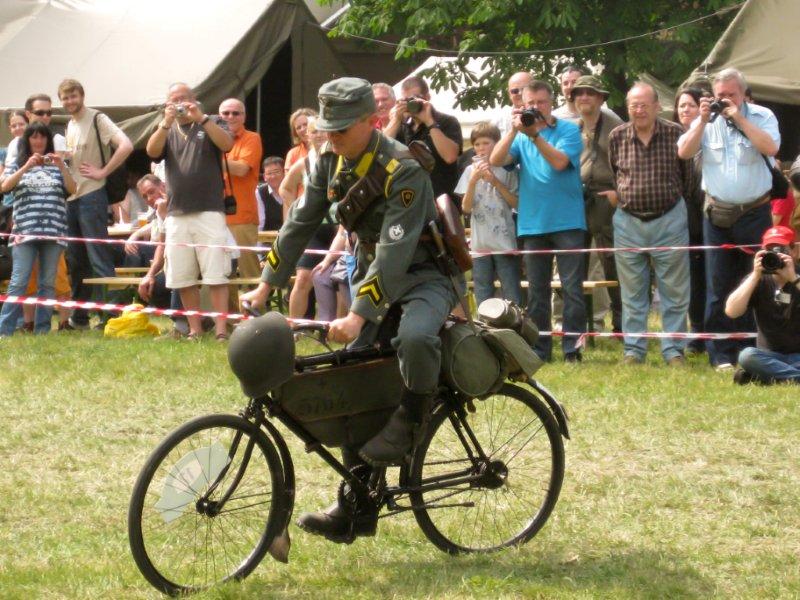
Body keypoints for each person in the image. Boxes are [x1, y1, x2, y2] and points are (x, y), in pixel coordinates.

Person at [241, 77, 462, 541]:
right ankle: (355, 510)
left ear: (372, 121)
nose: (332, 136)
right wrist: (265, 285)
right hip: (372, 275)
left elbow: (395, 254)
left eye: (342, 128)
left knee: (415, 338)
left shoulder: (402, 168)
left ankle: (413, 418)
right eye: (329, 128)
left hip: (423, 274)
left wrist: (358, 314)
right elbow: (300, 222)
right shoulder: (328, 161)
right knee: (354, 385)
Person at [677, 68, 780, 370]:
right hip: (718, 216)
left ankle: (752, 348)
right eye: (720, 95)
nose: (725, 100)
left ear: (743, 94)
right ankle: (721, 354)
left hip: (755, 213)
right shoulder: (706, 121)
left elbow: (771, 147)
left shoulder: (762, 116)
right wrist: (702, 121)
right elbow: (684, 152)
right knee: (718, 284)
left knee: (755, 280)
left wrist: (739, 118)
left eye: (731, 95)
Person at [489, 80, 586, 362]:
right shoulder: (520, 135)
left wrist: (535, 136)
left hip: (568, 221)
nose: (536, 108)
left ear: (551, 102)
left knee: (572, 289)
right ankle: (540, 350)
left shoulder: (569, 129)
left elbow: (559, 163)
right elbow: (496, 159)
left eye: (541, 102)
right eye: (530, 103)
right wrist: (513, 130)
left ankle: (572, 351)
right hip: (533, 224)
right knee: (536, 292)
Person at [609, 82, 691, 366]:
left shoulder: (675, 133)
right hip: (628, 223)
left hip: (670, 219)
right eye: (634, 105)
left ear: (657, 106)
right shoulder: (617, 136)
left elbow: (687, 176)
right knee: (632, 292)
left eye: (644, 104)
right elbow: (615, 175)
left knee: (675, 291)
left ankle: (674, 351)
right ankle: (633, 351)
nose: (639, 110)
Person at [145, 82, 233, 341]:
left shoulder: (212, 121)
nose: (179, 103)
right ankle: (194, 329)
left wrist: (201, 118)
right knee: (182, 275)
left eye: (183, 98)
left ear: (194, 99)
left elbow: (227, 144)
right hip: (177, 213)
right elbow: (151, 151)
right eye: (173, 99)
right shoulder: (167, 128)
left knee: (216, 273)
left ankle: (220, 330)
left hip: (209, 210)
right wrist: (165, 122)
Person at [59, 78, 133, 330]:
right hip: (72, 197)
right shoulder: (70, 124)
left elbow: (126, 145)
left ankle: (109, 317)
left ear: (82, 96)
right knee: (76, 260)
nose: (70, 101)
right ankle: (79, 317)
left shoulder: (97, 118)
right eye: (65, 98)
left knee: (98, 257)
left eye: (73, 96)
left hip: (92, 195)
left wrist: (103, 171)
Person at [0, 122, 76, 335]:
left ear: (48, 140)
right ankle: (4, 330)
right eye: (34, 137)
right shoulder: (18, 163)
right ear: (27, 140)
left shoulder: (58, 164)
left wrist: (62, 166)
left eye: (42, 136)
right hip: (24, 233)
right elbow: (5, 186)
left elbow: (72, 189)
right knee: (19, 281)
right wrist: (26, 167)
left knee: (47, 283)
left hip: (54, 233)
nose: (38, 140)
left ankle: (42, 329)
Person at [573, 75, 624, 334]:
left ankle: (621, 325)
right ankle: (581, 326)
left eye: (590, 93)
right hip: (579, 197)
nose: (584, 97)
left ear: (601, 98)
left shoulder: (616, 126)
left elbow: (628, 163)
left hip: (607, 197)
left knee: (613, 262)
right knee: (577, 262)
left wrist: (618, 193)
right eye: (579, 93)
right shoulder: (572, 128)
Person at [455, 121, 521, 306]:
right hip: (480, 244)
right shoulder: (469, 171)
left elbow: (516, 203)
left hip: (504, 242)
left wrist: (495, 182)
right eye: (477, 144)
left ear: (497, 144)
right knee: (483, 291)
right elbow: (465, 208)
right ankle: (484, 323)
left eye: (486, 143)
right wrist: (472, 181)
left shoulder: (507, 169)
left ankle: (515, 322)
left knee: (511, 291)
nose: (481, 148)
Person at [725, 226, 800, 384]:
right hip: (768, 355)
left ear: (794, 251)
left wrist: (793, 279)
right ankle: (787, 376)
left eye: (781, 250)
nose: (776, 254)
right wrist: (755, 275)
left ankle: (762, 377)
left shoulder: (797, 278)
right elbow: (731, 311)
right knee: (746, 356)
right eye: (770, 250)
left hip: (797, 355)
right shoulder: (756, 280)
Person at [279, 116, 336, 320]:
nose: (319, 135)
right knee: (303, 278)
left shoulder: (340, 157)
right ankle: (293, 327)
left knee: (340, 279)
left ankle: (336, 328)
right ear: (307, 136)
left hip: (339, 226)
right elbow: (285, 188)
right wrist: (297, 208)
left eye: (322, 130)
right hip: (315, 228)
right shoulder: (304, 162)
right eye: (314, 131)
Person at [385, 76, 463, 198]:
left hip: (442, 197)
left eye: (416, 98)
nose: (411, 104)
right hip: (411, 197)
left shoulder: (446, 121)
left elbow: (450, 157)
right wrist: (395, 119)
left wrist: (430, 122)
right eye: (407, 100)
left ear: (427, 97)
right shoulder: (402, 125)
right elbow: (381, 150)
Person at [673, 87, 708, 355]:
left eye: (691, 105)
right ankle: (696, 332)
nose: (685, 109)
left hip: (708, 215)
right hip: (681, 219)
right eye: (681, 105)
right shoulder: (671, 138)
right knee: (692, 280)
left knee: (711, 277)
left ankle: (716, 330)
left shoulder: (709, 136)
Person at [493, 71, 533, 136]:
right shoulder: (499, 121)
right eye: (515, 91)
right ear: (509, 94)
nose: (520, 93)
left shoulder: (547, 116)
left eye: (525, 89)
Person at [257, 156, 285, 232]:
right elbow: (260, 223)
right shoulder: (259, 193)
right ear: (264, 177)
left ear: (284, 172)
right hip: (268, 237)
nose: (273, 176)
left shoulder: (293, 189)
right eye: (269, 173)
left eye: (276, 172)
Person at [284, 108, 316, 172]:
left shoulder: (329, 147)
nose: (302, 129)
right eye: (298, 128)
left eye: (305, 124)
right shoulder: (293, 154)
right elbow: (288, 177)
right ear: (295, 133)